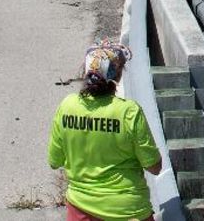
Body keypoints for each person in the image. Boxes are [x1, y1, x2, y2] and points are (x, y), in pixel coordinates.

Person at [48, 40, 162, 221]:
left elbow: (55, 161)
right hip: (128, 211)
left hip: (81, 210)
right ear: (116, 77)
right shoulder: (129, 111)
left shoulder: (67, 106)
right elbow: (154, 167)